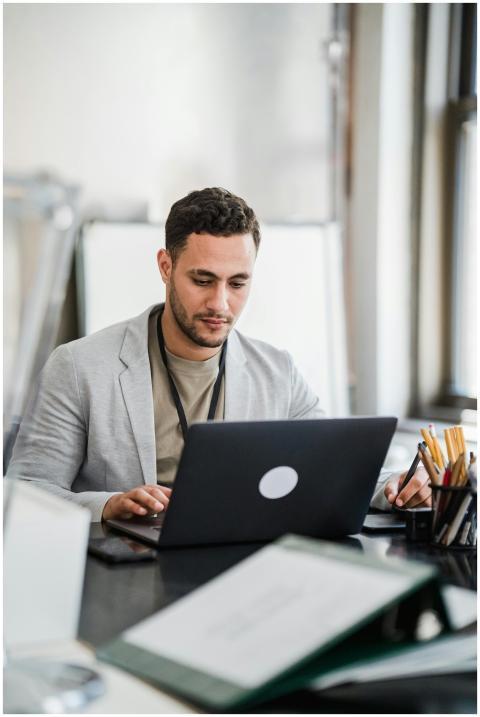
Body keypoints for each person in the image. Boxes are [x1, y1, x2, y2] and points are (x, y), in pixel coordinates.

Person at [7, 187, 431, 521]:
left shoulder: (277, 372)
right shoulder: (79, 366)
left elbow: (335, 467)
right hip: (123, 574)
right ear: (165, 266)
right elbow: (24, 492)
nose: (220, 304)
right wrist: (107, 505)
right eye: (203, 280)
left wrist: (395, 485)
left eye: (237, 283)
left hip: (234, 567)